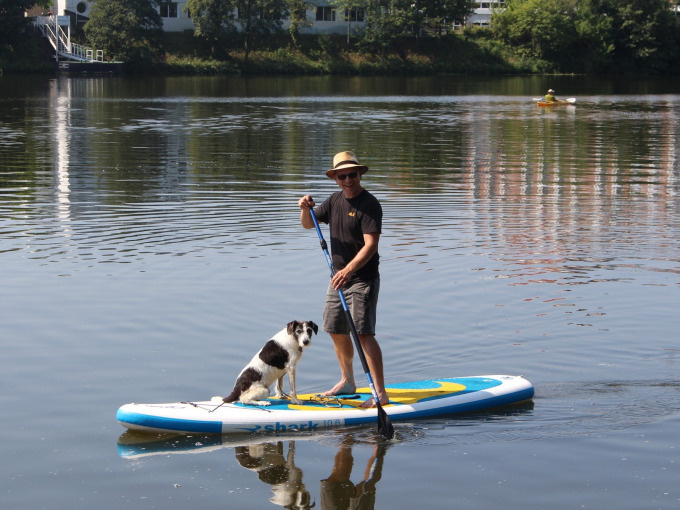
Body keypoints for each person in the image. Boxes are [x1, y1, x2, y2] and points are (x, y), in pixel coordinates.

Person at [298, 151, 388, 408]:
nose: (348, 179)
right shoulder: (334, 200)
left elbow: (371, 245)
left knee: (363, 334)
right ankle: (347, 382)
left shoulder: (369, 204)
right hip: (338, 279)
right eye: (343, 176)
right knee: (335, 329)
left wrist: (348, 270)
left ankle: (380, 392)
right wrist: (305, 209)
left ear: (359, 174)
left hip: (362, 279)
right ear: (336, 178)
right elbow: (308, 224)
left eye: (352, 174)